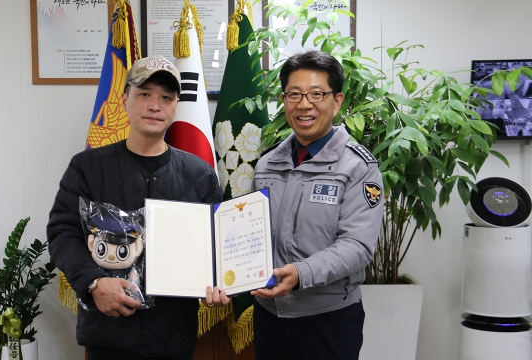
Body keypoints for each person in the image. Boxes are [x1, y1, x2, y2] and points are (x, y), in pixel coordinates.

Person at [47, 54, 229, 360]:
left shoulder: (199, 175)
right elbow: (62, 232)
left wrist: (220, 283)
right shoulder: (88, 167)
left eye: (166, 97)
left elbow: (217, 246)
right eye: (144, 94)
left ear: (175, 106)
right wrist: (93, 283)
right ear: (124, 99)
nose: (155, 105)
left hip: (174, 337)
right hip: (108, 333)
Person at [251, 50, 384, 360]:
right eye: (294, 95)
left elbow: (357, 247)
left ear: (336, 101)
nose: (304, 104)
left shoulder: (359, 167)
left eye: (316, 94)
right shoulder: (267, 164)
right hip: (269, 316)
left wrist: (301, 273)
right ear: (284, 100)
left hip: (328, 320)